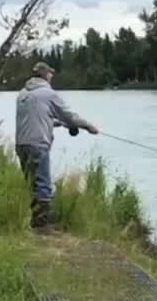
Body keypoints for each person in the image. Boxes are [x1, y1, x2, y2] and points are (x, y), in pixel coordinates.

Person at [14, 61, 98, 230]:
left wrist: (59, 124)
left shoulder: (23, 94)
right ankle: (42, 227)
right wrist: (88, 126)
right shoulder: (48, 93)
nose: (52, 76)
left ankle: (34, 222)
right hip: (38, 145)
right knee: (43, 184)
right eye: (50, 73)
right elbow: (69, 116)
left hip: (21, 144)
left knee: (31, 183)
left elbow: (39, 118)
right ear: (45, 75)